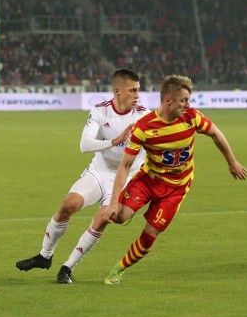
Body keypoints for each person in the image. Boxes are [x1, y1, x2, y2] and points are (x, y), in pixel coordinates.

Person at [100, 74, 247, 285]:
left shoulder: (191, 117)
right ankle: (127, 211)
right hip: (149, 180)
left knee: (150, 234)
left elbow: (216, 133)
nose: (188, 105)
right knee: (119, 217)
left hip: (176, 189)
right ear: (168, 100)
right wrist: (113, 201)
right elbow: (125, 165)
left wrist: (232, 162)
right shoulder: (144, 127)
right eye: (183, 100)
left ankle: (119, 269)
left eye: (188, 100)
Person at [15, 68, 148, 284]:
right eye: (132, 90)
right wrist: (115, 141)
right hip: (99, 171)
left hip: (126, 178)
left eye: (138, 90)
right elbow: (84, 145)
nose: (137, 95)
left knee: (103, 217)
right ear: (118, 91)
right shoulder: (100, 111)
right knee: (68, 205)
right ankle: (44, 256)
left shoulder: (144, 115)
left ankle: (67, 267)